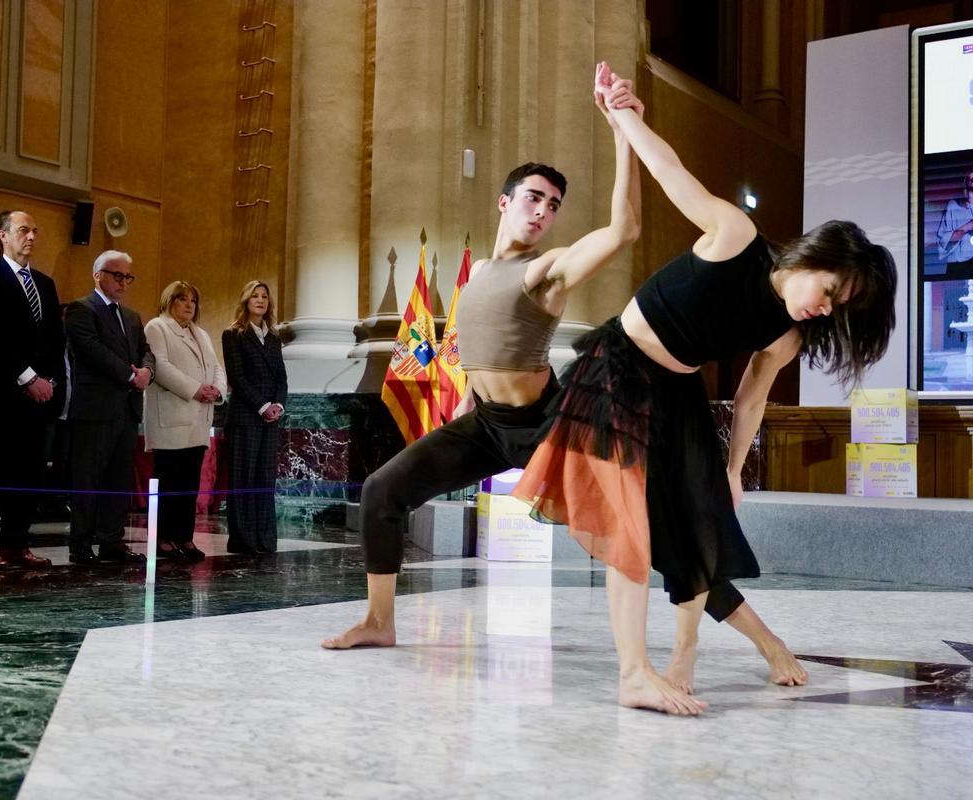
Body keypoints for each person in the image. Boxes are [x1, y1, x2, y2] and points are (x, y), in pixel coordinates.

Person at [322, 64, 812, 701]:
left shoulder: (545, 270)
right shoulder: (474, 278)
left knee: (657, 537)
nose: (544, 211)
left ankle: (766, 641)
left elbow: (624, 230)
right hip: (483, 425)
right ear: (504, 202)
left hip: (546, 421)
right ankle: (380, 620)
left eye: (553, 205)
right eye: (534, 198)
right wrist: (468, 397)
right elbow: (479, 351)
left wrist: (618, 135)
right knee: (385, 488)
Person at [509, 67, 897, 714]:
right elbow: (671, 171)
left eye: (840, 309)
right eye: (829, 292)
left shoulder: (788, 336)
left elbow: (750, 398)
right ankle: (637, 673)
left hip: (680, 393)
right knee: (629, 520)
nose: (824, 309)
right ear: (814, 257)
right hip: (620, 367)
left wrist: (733, 469)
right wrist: (621, 114)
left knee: (700, 529)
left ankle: (694, 651)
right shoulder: (736, 238)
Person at [0, 210, 66, 570]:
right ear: (3, 236)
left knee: (28, 471)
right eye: (24, 230)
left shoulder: (45, 283)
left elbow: (56, 339)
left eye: (34, 231)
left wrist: (50, 381)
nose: (31, 237)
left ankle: (16, 543)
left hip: (37, 399)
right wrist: (28, 377)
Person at [64, 250, 154, 565]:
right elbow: (92, 351)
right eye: (117, 275)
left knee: (118, 479)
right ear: (98, 274)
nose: (123, 282)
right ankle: (81, 545)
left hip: (126, 410)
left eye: (128, 276)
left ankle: (111, 541)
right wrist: (132, 375)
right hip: (95, 409)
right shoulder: (80, 309)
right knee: (88, 478)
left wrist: (147, 372)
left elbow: (146, 351)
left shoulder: (131, 317)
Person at [144, 280, 225, 562]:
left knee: (189, 484)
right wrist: (196, 389)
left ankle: (184, 537)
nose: (189, 305)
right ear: (170, 301)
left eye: (192, 300)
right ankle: (164, 538)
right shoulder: (157, 327)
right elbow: (162, 368)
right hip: (171, 417)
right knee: (170, 482)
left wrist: (217, 390)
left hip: (199, 419)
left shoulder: (200, 333)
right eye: (182, 299)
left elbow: (216, 367)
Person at [220, 280, 287, 554]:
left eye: (264, 296)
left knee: (264, 479)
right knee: (243, 479)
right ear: (245, 300)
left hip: (271, 420)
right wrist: (262, 406)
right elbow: (237, 376)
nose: (260, 300)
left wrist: (279, 405)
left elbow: (281, 376)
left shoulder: (274, 337)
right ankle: (243, 540)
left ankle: (264, 538)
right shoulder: (233, 334)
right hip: (245, 417)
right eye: (255, 296)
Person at [936, 167, 973, 277]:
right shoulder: (953, 206)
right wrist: (967, 226)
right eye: (970, 179)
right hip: (958, 267)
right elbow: (944, 245)